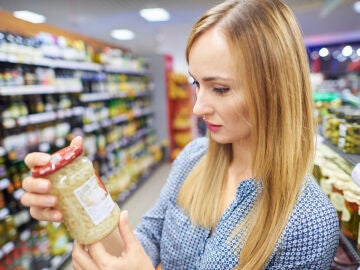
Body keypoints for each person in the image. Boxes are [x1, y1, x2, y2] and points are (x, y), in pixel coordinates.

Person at [20, 0, 339, 269]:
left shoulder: (307, 221)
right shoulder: (194, 157)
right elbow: (144, 242)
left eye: (220, 88)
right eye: (196, 84)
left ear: (276, 90)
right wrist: (78, 198)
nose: (198, 107)